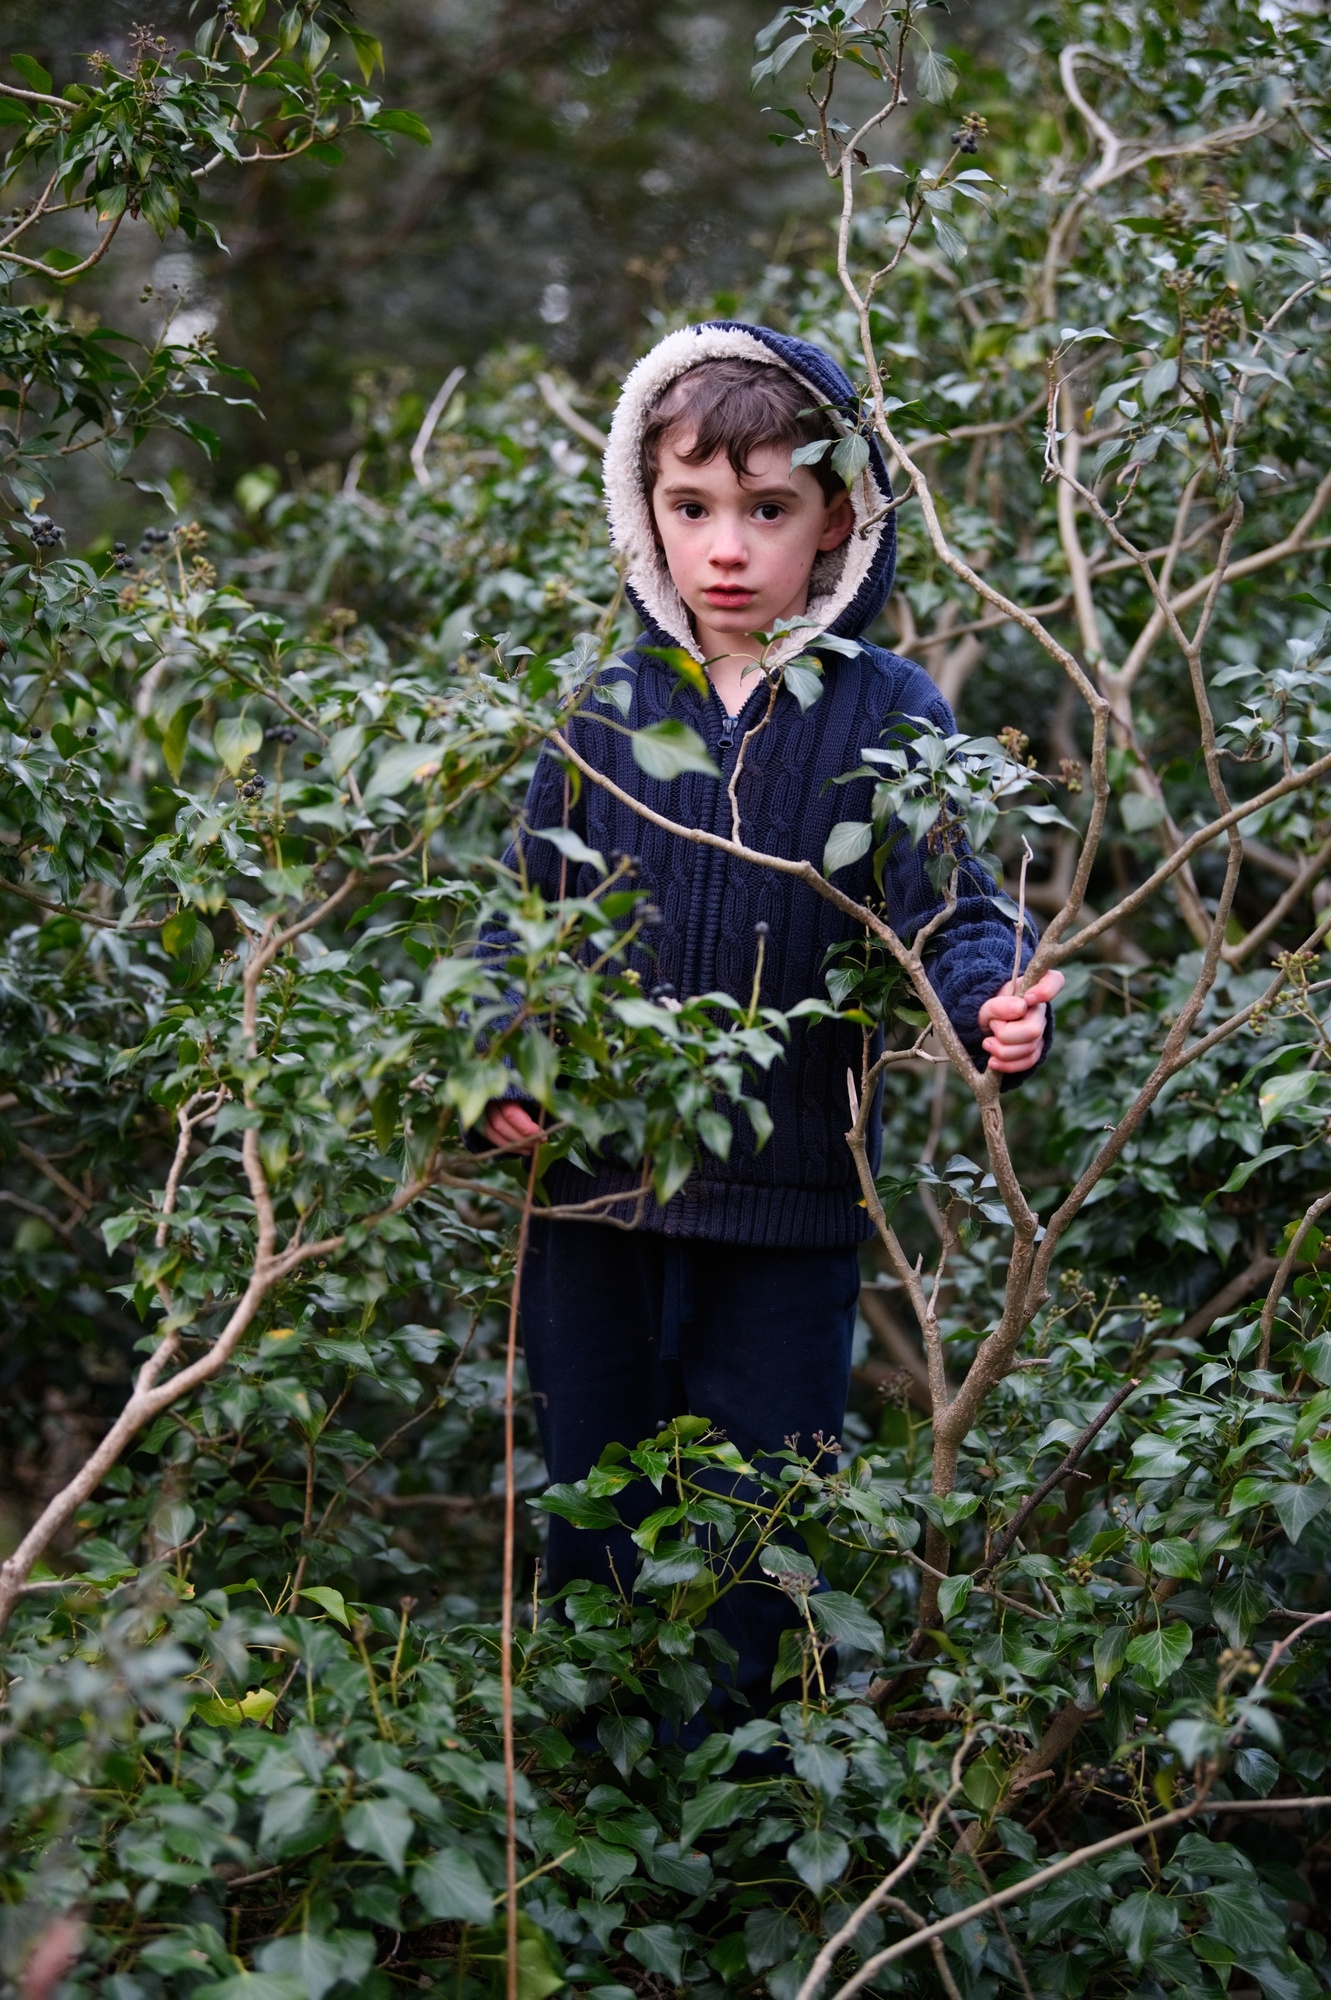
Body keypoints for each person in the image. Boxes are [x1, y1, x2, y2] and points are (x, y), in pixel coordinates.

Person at [480, 322, 1062, 1718]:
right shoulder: (608, 707)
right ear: (645, 511)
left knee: (759, 1532)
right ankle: (587, 1782)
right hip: (595, 1201)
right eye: (691, 509)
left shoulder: (887, 706)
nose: (726, 548)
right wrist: (499, 1050)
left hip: (789, 1219)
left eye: (767, 510)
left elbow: (953, 904)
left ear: (840, 520)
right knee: (594, 1522)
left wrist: (994, 1002)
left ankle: (748, 1793)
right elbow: (519, 920)